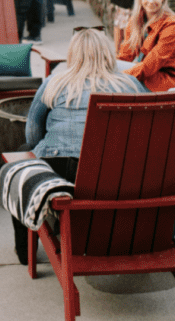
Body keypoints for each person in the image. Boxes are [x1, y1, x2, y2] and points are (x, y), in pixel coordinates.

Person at [10, 28, 148, 263]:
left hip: (62, 172)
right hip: (116, 176)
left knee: (20, 158)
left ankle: (25, 250)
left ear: (73, 55)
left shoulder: (55, 83)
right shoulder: (130, 85)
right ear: (107, 55)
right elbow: (144, 132)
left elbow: (32, 134)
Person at [117, 0, 175, 91]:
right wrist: (110, 70)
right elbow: (124, 56)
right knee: (105, 71)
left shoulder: (172, 24)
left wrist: (120, 76)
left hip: (166, 80)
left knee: (112, 83)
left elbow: (151, 64)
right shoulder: (136, 20)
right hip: (146, 74)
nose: (151, 1)